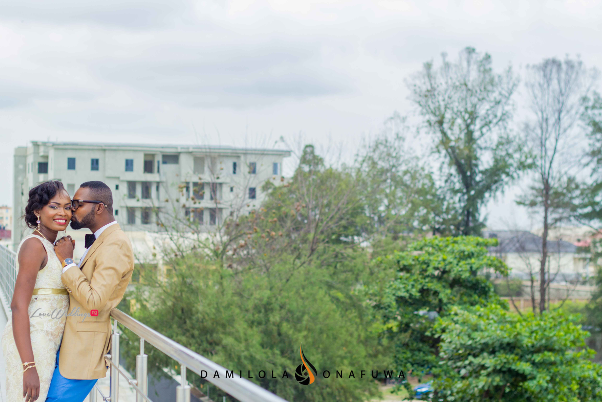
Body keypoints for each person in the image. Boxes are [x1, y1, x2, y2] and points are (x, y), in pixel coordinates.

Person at [46, 181, 135, 402]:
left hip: (83, 351)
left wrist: (68, 262)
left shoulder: (116, 244)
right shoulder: (102, 240)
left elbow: (94, 300)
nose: (71, 210)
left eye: (77, 204)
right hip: (68, 343)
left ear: (99, 207)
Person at [1, 181, 74, 402]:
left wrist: (67, 258)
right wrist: (28, 366)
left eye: (68, 207)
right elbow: (17, 305)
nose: (63, 212)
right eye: (54, 206)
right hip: (32, 344)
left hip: (48, 343)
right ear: (37, 211)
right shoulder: (34, 246)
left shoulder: (53, 247)